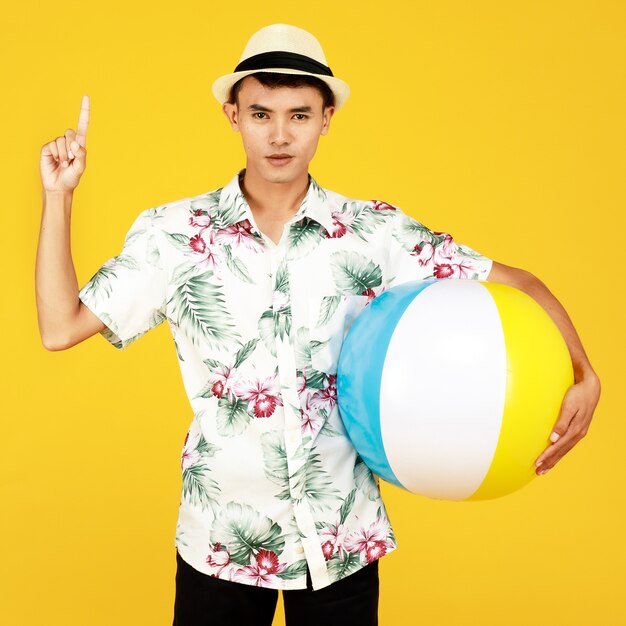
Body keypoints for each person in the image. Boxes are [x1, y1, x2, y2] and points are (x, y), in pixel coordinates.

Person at [36, 23, 600, 626]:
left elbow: (519, 284)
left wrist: (583, 372)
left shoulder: (376, 234)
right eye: (261, 113)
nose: (280, 135)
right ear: (233, 116)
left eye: (300, 115)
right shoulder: (176, 234)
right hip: (222, 543)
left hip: (342, 541)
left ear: (326, 118)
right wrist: (58, 197)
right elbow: (60, 326)